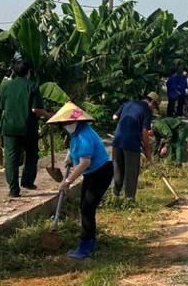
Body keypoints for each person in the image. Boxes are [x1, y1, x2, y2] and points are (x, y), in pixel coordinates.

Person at [48, 101, 112, 260]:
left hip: (101, 172)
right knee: (84, 207)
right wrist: (70, 156)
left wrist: (68, 181)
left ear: (76, 121)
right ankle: (87, 241)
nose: (66, 125)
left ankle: (87, 246)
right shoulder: (76, 134)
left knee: (87, 208)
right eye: (64, 123)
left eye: (68, 122)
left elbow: (85, 162)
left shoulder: (84, 135)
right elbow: (74, 149)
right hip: (92, 173)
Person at [0, 60, 53, 197]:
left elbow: (1, 106)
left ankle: (14, 190)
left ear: (14, 72)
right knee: (32, 153)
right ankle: (27, 181)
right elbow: (35, 109)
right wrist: (48, 115)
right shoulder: (32, 86)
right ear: (28, 72)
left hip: (9, 128)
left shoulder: (6, 86)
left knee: (11, 158)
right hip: (28, 127)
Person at [112, 92, 157, 200]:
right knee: (131, 171)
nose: (153, 108)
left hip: (117, 141)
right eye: (154, 106)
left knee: (118, 169)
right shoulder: (146, 110)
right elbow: (145, 132)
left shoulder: (128, 103)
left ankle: (115, 195)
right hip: (131, 143)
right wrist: (148, 150)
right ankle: (129, 198)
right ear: (152, 102)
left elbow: (114, 117)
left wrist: (127, 123)